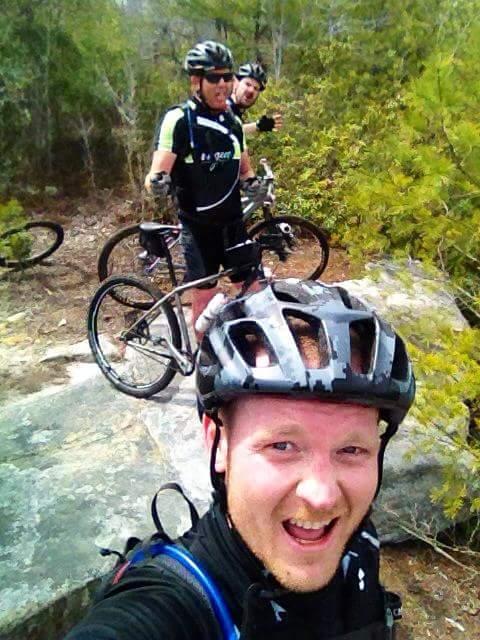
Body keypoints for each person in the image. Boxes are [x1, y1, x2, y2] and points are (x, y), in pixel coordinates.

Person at [65, 279, 415, 640]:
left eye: (352, 450)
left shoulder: (357, 540)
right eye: (282, 446)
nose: (323, 496)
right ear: (217, 439)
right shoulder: (174, 606)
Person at [144, 41, 263, 330]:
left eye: (227, 76)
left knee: (255, 294)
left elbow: (244, 169)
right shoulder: (180, 120)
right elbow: (155, 174)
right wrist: (157, 183)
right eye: (214, 77)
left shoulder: (233, 122)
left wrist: (252, 184)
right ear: (196, 81)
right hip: (198, 229)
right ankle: (205, 362)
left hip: (233, 225)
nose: (223, 84)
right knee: (206, 303)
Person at [228, 62, 283, 135]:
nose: (251, 91)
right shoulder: (221, 108)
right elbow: (225, 132)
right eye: (247, 84)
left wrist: (259, 126)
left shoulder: (235, 112)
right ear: (236, 83)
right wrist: (257, 126)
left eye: (256, 88)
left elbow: (233, 132)